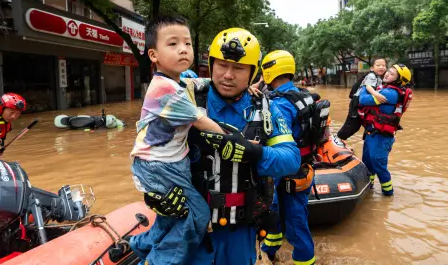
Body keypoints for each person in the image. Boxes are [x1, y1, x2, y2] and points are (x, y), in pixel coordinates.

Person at [136, 28, 301, 265]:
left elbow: (291, 159)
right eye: (222, 65)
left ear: (253, 72)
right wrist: (154, 195)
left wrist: (252, 152)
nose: (228, 75)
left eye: (239, 68)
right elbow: (149, 143)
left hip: (239, 232)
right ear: (211, 64)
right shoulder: (185, 95)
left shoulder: (266, 109)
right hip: (187, 225)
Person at [129, 15, 225, 265]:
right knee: (197, 213)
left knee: (172, 216)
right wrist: (238, 144)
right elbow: (204, 123)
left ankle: (138, 245)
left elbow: (203, 82)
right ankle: (160, 261)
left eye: (187, 43)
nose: (183, 49)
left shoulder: (179, 82)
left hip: (169, 161)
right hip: (158, 164)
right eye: (172, 44)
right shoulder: (165, 89)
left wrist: (245, 85)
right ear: (153, 55)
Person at [259, 50, 329, 265]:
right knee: (282, 213)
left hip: (287, 171)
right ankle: (270, 248)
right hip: (304, 168)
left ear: (269, 72)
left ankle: (305, 260)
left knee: (294, 222)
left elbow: (277, 140)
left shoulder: (279, 103)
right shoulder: (303, 95)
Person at [358, 64, 412, 196]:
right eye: (389, 71)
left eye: (392, 74)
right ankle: (369, 188)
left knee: (379, 165)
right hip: (373, 133)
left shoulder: (390, 93)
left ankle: (388, 194)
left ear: (398, 80)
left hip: (381, 137)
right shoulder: (387, 89)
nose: (387, 74)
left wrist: (366, 86)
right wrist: (373, 89)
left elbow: (362, 99)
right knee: (368, 163)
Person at [337, 57, 388, 140]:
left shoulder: (378, 78)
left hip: (362, 102)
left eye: (383, 65)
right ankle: (338, 138)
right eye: (378, 65)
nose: (381, 67)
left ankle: (340, 138)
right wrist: (377, 95)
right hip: (357, 102)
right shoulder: (371, 75)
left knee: (357, 125)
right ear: (372, 68)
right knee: (351, 124)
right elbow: (368, 87)